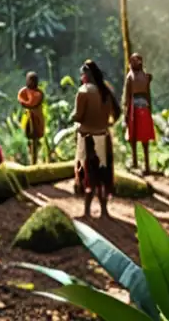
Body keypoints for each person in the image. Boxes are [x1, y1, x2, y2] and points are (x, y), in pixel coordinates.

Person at [72, 60, 121, 219]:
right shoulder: (106, 91)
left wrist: (73, 117)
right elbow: (117, 113)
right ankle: (104, 211)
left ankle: (87, 211)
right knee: (103, 175)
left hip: (87, 138)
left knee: (88, 175)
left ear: (86, 76)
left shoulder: (83, 91)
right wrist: (106, 123)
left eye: (82, 75)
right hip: (103, 136)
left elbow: (78, 116)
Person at [123, 52, 155, 174]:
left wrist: (149, 109)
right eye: (132, 61)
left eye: (136, 61)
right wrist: (127, 112)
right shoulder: (131, 76)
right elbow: (127, 96)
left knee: (144, 138)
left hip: (140, 109)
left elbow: (147, 94)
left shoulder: (144, 76)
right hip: (135, 109)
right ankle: (135, 162)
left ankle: (146, 165)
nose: (133, 63)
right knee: (133, 137)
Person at [17, 72, 46, 165]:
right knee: (30, 140)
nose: (30, 82)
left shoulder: (38, 94)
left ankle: (35, 162)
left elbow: (31, 103)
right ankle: (32, 162)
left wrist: (26, 103)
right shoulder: (24, 92)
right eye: (29, 80)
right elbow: (22, 99)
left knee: (36, 141)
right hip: (28, 119)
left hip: (37, 120)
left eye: (32, 80)